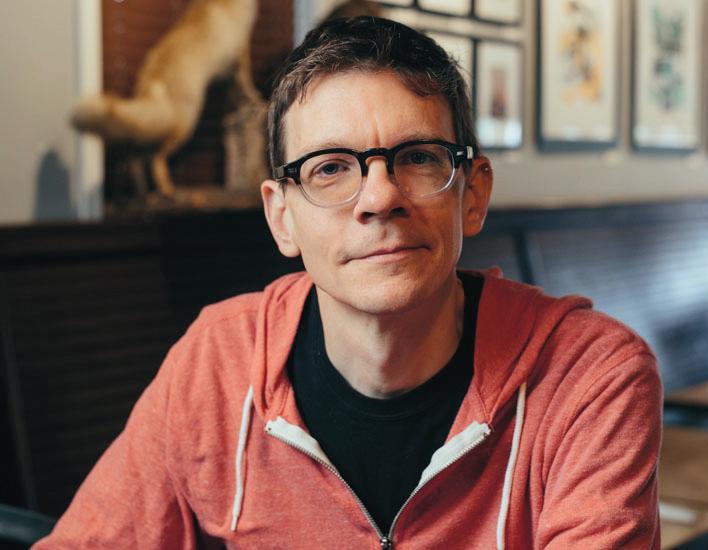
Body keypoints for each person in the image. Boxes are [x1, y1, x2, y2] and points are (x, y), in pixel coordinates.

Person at [35, 16, 661, 549]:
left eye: (418, 158)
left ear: (472, 195)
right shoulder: (217, 361)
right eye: (330, 168)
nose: (380, 198)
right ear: (282, 217)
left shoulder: (588, 376)